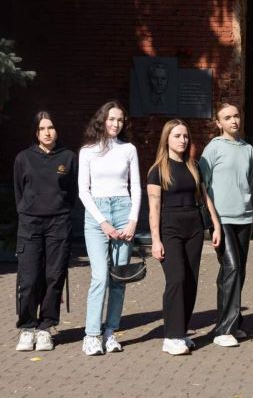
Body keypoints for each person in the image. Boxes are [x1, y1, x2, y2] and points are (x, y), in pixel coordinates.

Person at [147, 119, 223, 355]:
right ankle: (171, 337)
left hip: (194, 228)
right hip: (170, 228)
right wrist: (155, 240)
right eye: (177, 136)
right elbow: (154, 207)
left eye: (185, 136)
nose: (182, 140)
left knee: (190, 281)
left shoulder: (193, 166)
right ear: (167, 139)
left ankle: (181, 331)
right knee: (177, 279)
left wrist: (216, 225)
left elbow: (205, 197)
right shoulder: (157, 170)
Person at [78, 101, 141, 356]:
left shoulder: (129, 149)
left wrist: (133, 221)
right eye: (112, 119)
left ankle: (110, 331)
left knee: (119, 277)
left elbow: (136, 187)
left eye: (120, 120)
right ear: (102, 120)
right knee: (100, 276)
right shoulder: (87, 151)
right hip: (97, 215)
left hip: (124, 211)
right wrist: (102, 221)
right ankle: (91, 335)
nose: (116, 124)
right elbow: (83, 191)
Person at [13, 112, 78, 352]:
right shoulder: (23, 158)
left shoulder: (68, 158)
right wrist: (28, 211)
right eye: (42, 129)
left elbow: (72, 193)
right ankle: (27, 327)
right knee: (29, 278)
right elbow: (19, 192)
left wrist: (60, 212)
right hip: (30, 225)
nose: (47, 132)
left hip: (58, 224)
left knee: (54, 276)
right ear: (36, 132)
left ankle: (45, 328)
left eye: (51, 127)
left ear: (57, 130)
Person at [200, 103, 253, 347]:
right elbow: (202, 185)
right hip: (221, 219)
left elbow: (249, 181)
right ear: (218, 123)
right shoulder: (213, 148)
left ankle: (232, 321)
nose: (234, 121)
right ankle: (223, 329)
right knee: (231, 267)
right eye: (227, 117)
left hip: (245, 218)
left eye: (236, 116)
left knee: (237, 271)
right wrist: (212, 221)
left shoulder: (248, 149)